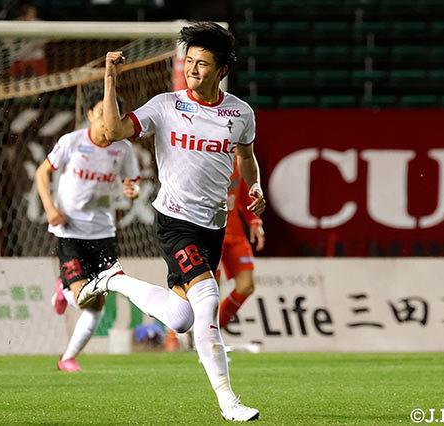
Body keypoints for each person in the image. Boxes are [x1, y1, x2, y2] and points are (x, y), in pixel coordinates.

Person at [77, 22, 265, 421]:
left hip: (213, 227)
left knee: (181, 318)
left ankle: (113, 279)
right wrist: (110, 79)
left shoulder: (240, 113)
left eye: (202, 63)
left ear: (221, 70)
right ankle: (228, 401)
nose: (193, 69)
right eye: (189, 61)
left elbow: (246, 157)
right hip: (175, 221)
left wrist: (255, 187)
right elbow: (112, 131)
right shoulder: (166, 105)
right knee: (208, 298)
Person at [35, 96, 140, 372]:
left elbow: (133, 183)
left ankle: (68, 358)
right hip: (70, 230)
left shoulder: (124, 148)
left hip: (103, 232)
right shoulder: (72, 142)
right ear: (91, 114)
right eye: (102, 112)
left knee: (97, 304)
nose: (107, 119)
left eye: (112, 113)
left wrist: (133, 190)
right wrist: (50, 209)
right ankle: (64, 289)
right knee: (84, 297)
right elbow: (41, 173)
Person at [218, 159, 265, 329]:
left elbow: (244, 193)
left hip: (235, 233)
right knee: (207, 291)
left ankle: (213, 331)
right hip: (210, 232)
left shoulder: (240, 159)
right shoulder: (205, 156)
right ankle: (182, 334)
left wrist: (254, 220)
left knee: (246, 286)